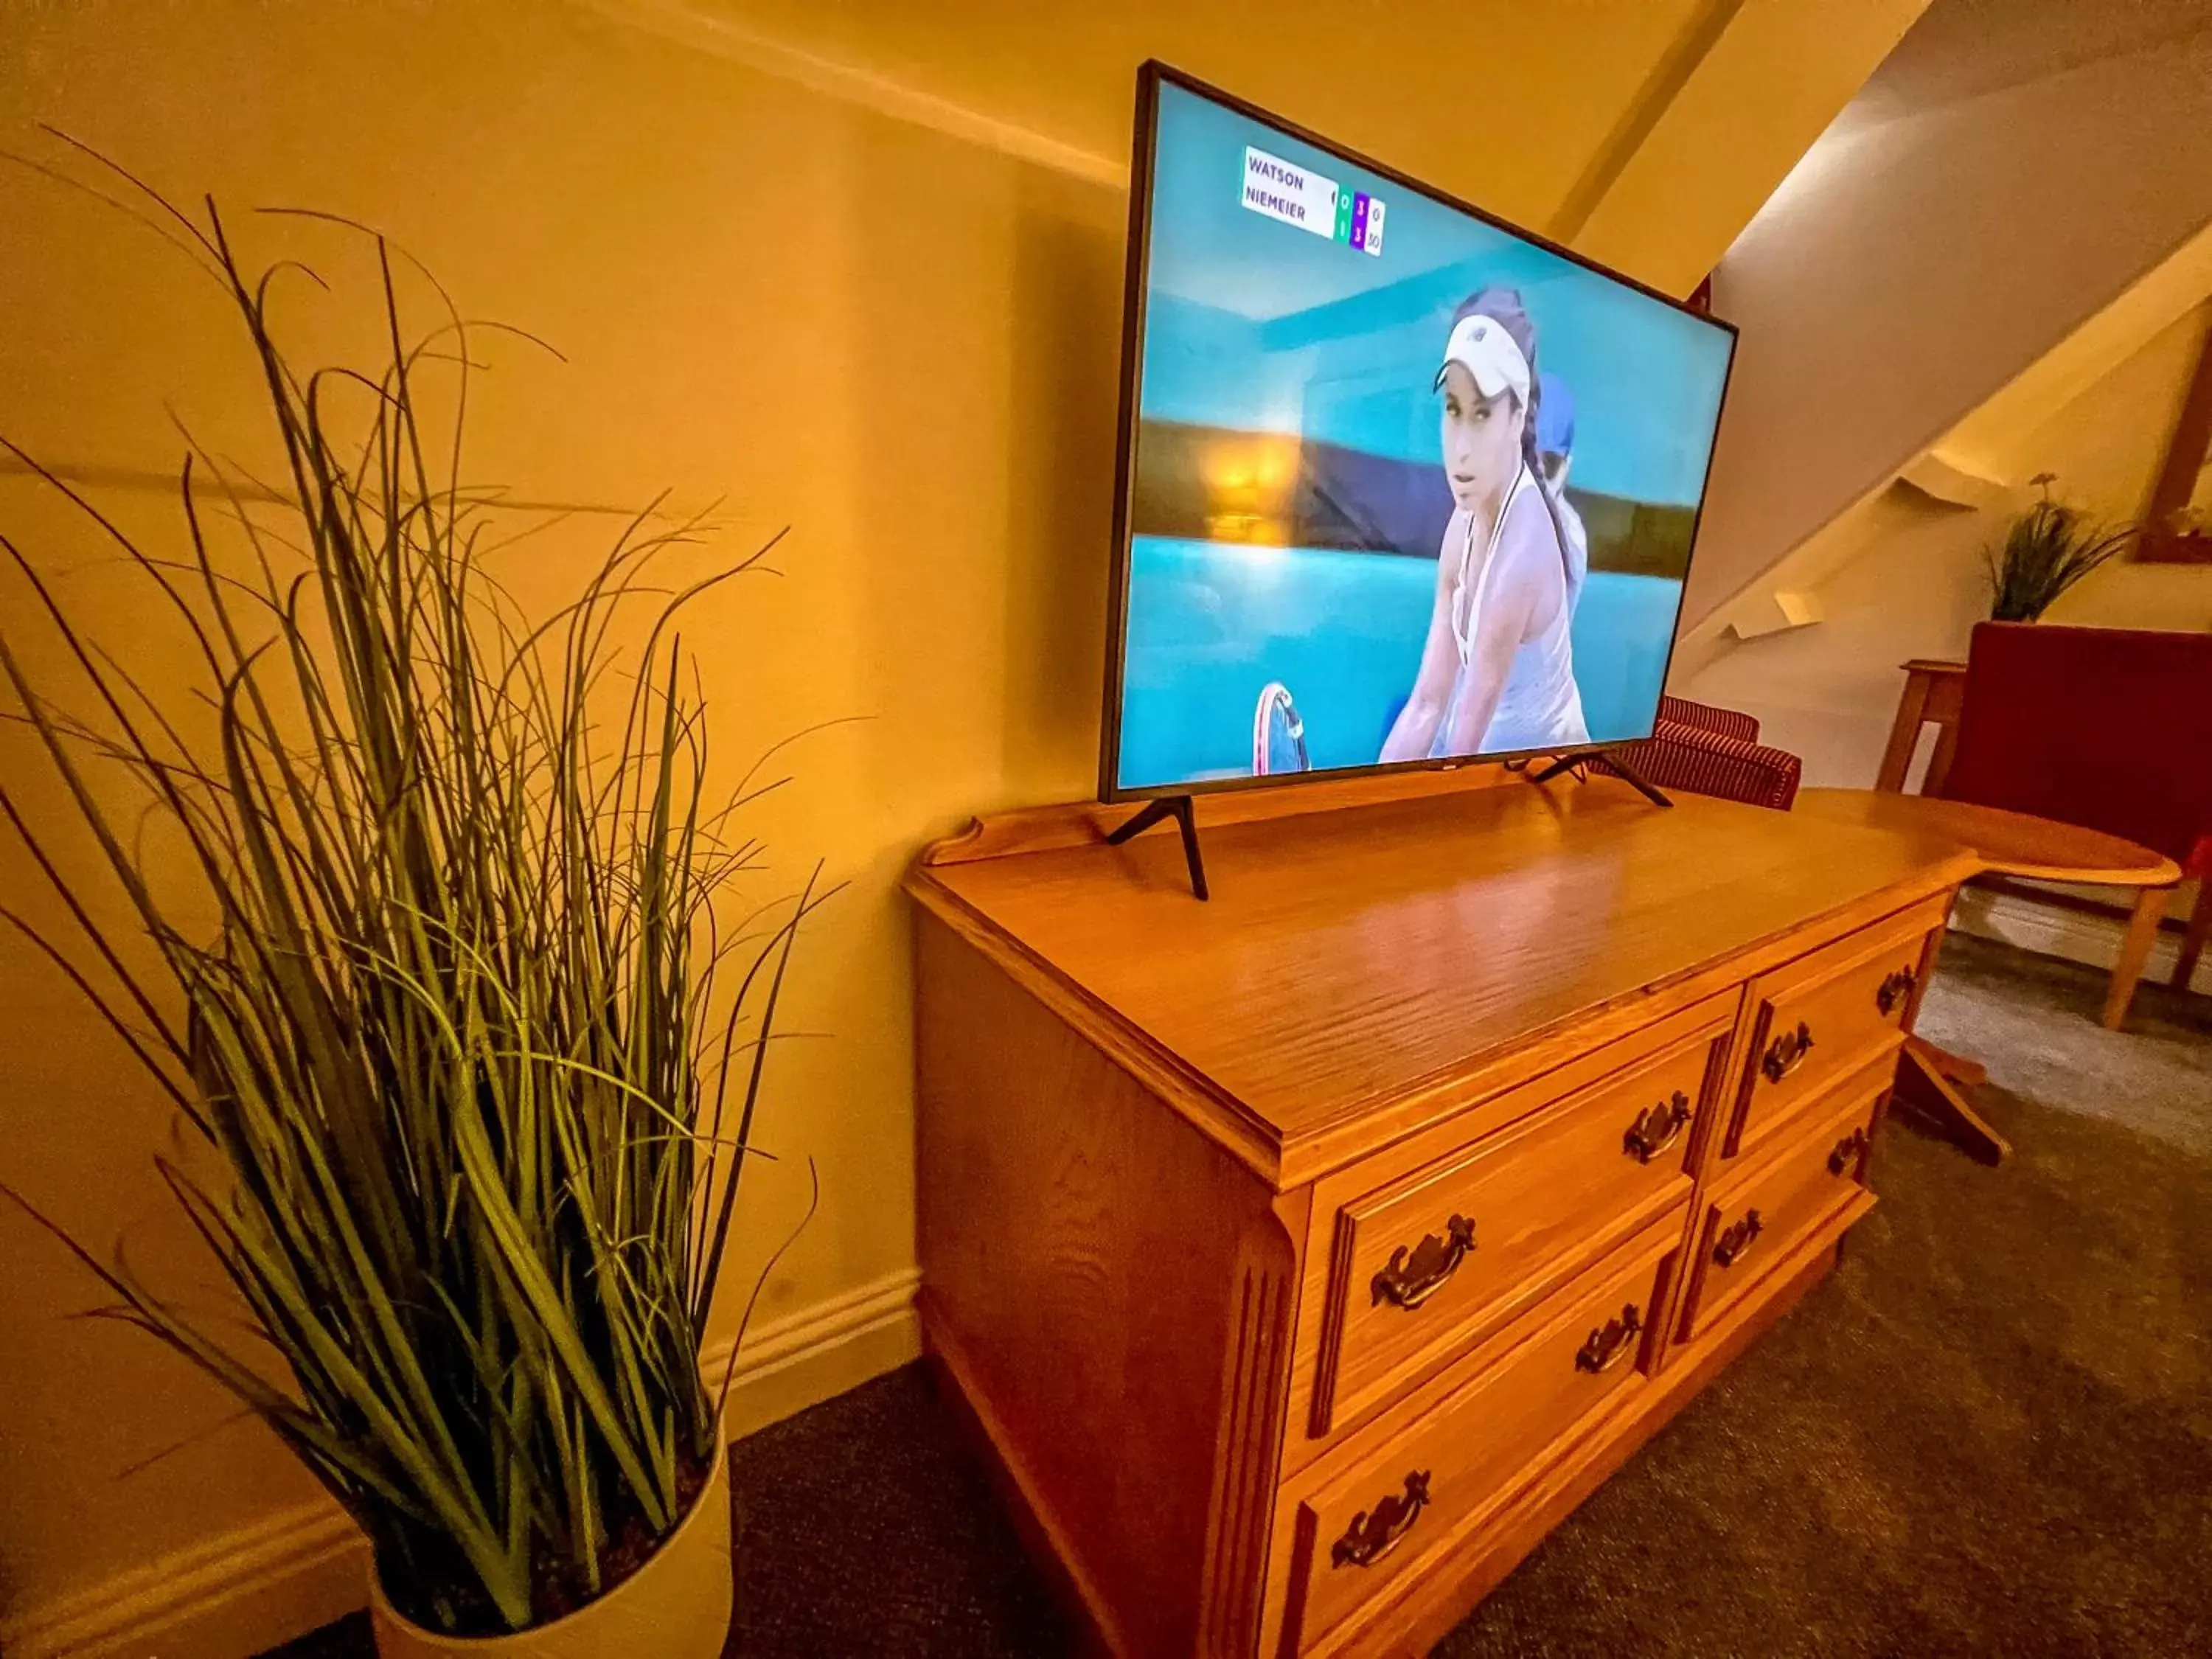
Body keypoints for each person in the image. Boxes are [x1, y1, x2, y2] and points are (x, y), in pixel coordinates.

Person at [1380, 289, 1587, 763]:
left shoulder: (1524, 553)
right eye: (1453, 409)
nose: (1462, 448)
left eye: (1483, 412)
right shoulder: (1464, 525)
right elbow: (1426, 706)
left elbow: (1461, 756)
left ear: (1518, 418)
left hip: (1547, 787)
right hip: (1497, 776)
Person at [1536, 369, 1588, 619]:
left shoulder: (1569, 540)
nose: (1536, 478)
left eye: (1549, 461)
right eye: (1525, 456)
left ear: (1567, 465)